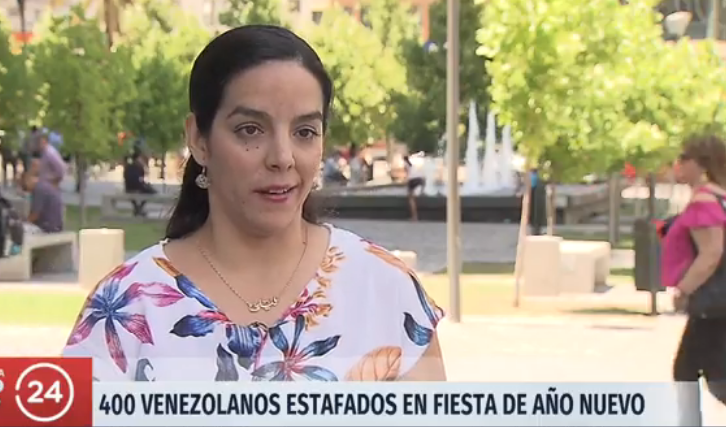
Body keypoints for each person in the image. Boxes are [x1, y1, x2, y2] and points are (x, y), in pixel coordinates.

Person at [62, 25, 446, 382]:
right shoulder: (125, 307)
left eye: (305, 132)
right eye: (250, 129)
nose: (282, 157)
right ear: (198, 140)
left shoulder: (386, 291)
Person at [662, 135, 726, 423]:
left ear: (701, 164)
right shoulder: (722, 197)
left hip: (712, 301)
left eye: (683, 158)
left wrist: (684, 289)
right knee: (694, 370)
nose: (678, 164)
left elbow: (711, 253)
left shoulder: (705, 200)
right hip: (719, 300)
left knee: (705, 373)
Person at [123, 150, 158, 217]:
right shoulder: (139, 166)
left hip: (128, 188)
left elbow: (125, 178)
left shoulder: (128, 166)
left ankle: (137, 209)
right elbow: (142, 178)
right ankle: (139, 208)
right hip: (136, 187)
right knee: (150, 192)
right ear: (138, 158)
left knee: (133, 193)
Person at [404, 155, 425, 222]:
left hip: (412, 180)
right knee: (414, 195)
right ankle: (421, 192)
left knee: (411, 199)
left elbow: (407, 174)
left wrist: (406, 182)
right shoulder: (413, 163)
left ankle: (414, 217)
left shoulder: (405, 163)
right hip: (420, 179)